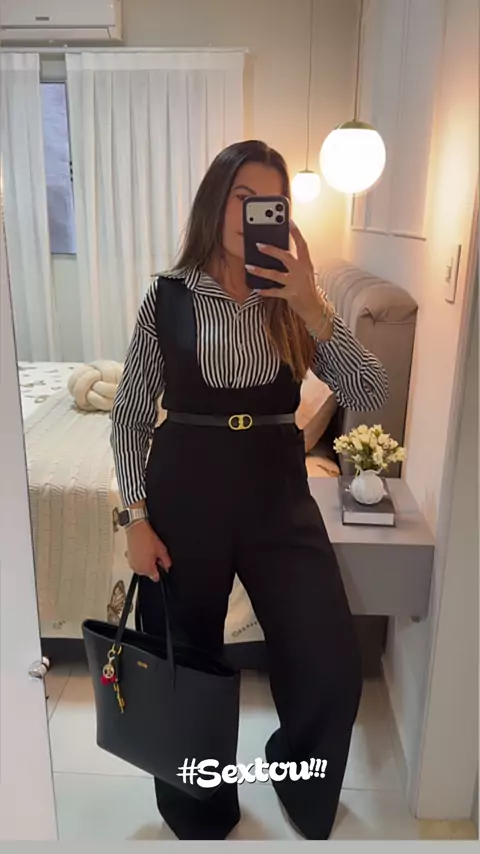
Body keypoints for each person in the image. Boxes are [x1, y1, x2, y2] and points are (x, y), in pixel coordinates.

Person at [110, 139, 388, 841]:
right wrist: (134, 519)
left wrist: (314, 306)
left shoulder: (296, 297)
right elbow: (130, 415)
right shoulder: (168, 297)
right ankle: (199, 809)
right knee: (186, 662)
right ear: (216, 201)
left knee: (329, 661)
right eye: (242, 197)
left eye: (271, 201)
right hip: (185, 494)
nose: (254, 212)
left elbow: (371, 392)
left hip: (277, 494)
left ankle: (297, 776)